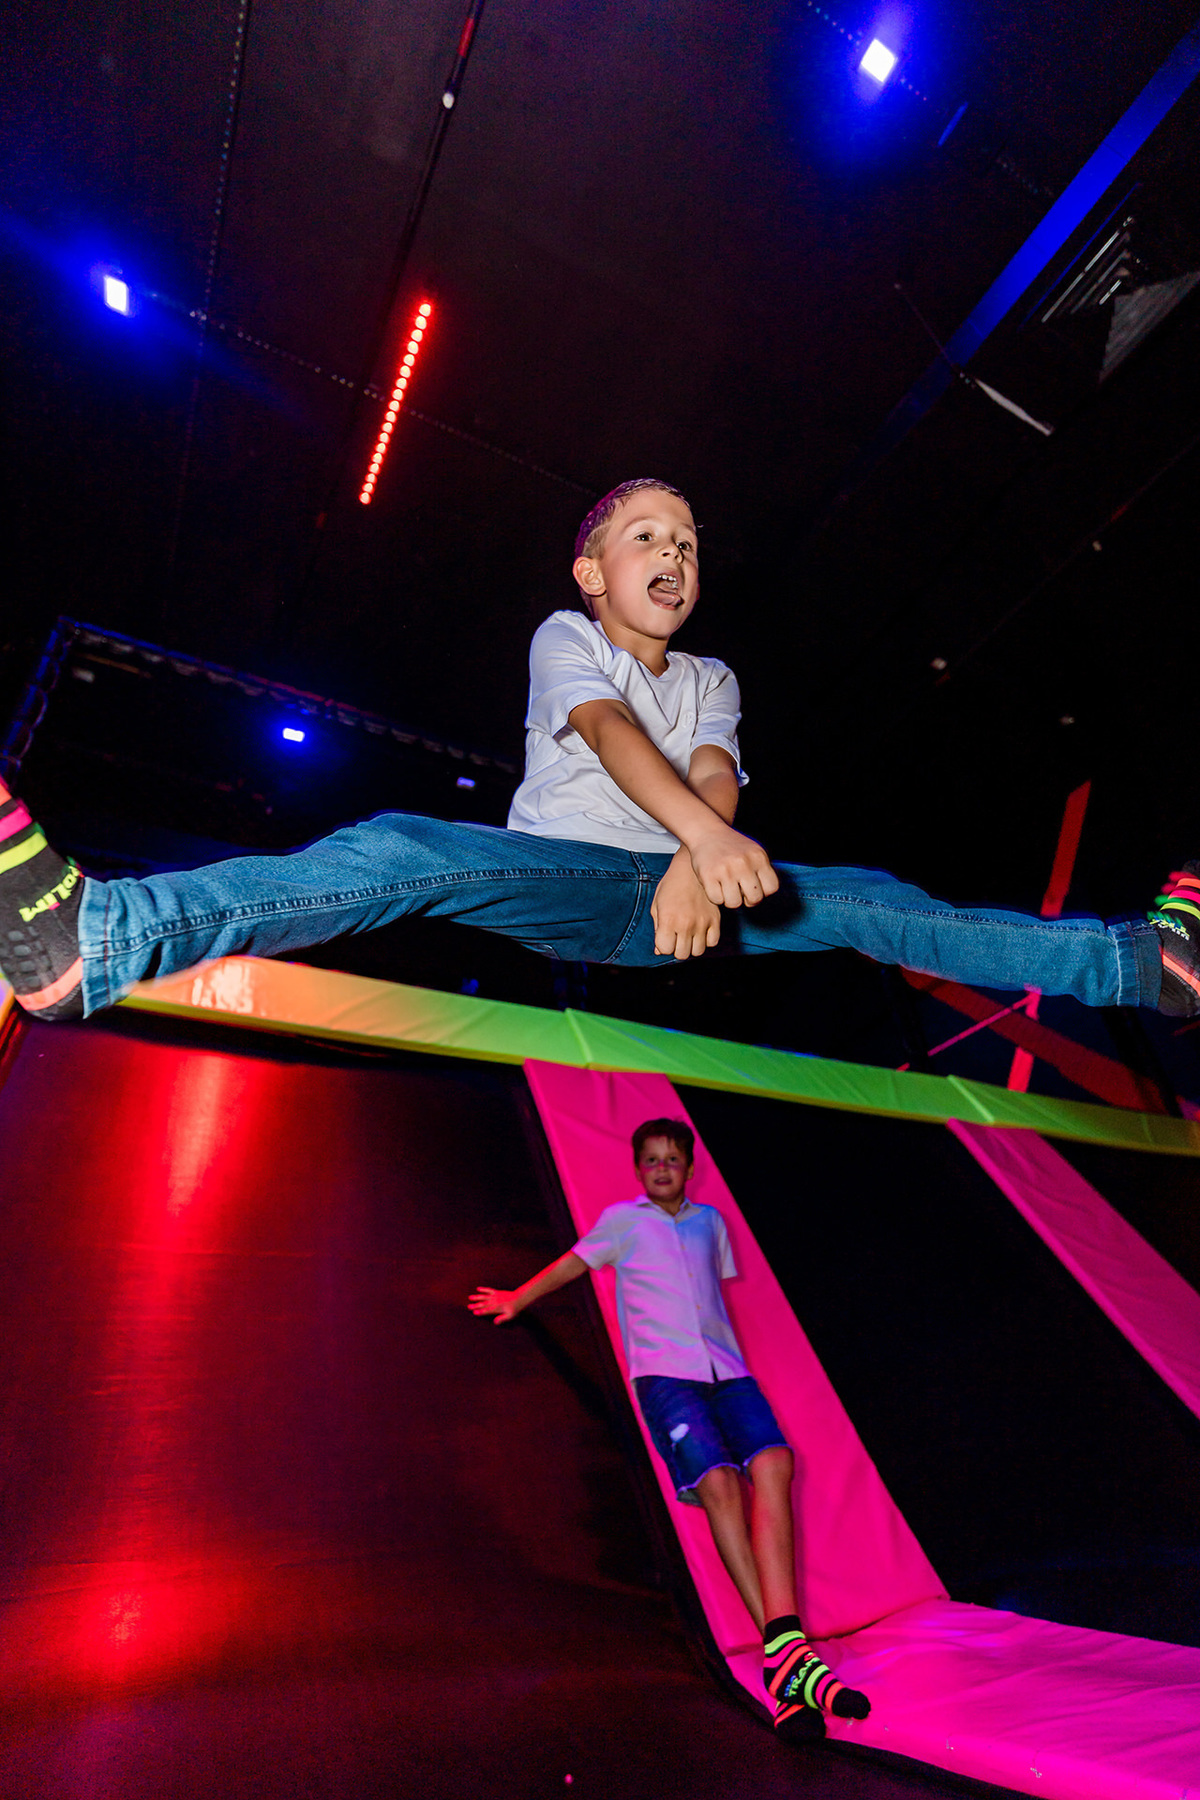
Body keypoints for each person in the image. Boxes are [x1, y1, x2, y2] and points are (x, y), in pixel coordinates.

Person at [1, 476, 1198, 1021]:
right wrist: (693, 837)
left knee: (878, 902)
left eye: (686, 539)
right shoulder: (567, 638)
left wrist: (709, 843)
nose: (674, 554)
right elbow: (615, 735)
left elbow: (715, 767)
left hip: (694, 894)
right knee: (408, 849)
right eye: (646, 536)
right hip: (574, 885)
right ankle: (100, 940)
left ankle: (1146, 970)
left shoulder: (717, 674)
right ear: (594, 572)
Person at [468, 1116, 867, 1742]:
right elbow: (573, 1264)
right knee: (720, 1483)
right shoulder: (623, 1222)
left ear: (688, 1167)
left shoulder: (711, 1224)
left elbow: (711, 1292)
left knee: (775, 1463)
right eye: (651, 1160)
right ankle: (792, 1660)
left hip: (727, 1369)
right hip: (667, 1377)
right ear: (637, 1168)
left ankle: (782, 1654)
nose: (661, 1169)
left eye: (672, 1160)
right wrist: (519, 1297)